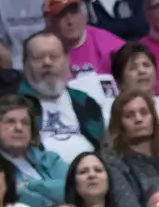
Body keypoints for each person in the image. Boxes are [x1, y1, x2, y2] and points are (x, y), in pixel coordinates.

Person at [19, 27, 102, 168]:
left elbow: (103, 145)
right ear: (25, 65)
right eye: (38, 58)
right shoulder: (15, 105)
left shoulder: (84, 101)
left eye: (54, 56)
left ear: (67, 60)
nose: (47, 62)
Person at [103, 91, 159, 207]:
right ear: (119, 124)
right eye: (129, 115)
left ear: (153, 117)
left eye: (144, 113)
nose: (138, 119)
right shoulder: (113, 162)